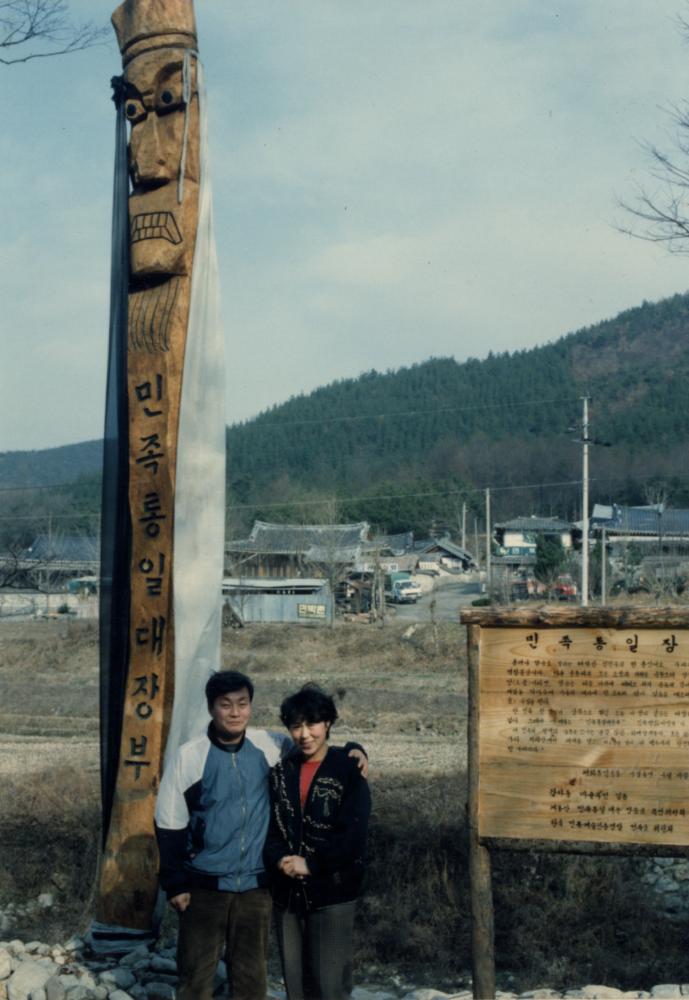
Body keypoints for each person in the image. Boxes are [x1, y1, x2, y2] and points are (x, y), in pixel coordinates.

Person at [154, 670, 366, 1000]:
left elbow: (316, 743)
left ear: (251, 707)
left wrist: (356, 749)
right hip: (204, 886)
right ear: (211, 708)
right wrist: (175, 883)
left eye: (243, 703)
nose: (235, 712)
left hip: (256, 887)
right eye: (226, 705)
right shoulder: (190, 756)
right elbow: (169, 821)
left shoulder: (268, 745)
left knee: (251, 980)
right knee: (195, 977)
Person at [264, 684, 371, 1000]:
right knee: (296, 986)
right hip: (287, 893)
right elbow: (269, 825)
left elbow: (352, 835)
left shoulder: (348, 770)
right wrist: (280, 859)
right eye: (296, 725)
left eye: (312, 724)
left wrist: (311, 864)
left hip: (333, 891)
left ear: (327, 724)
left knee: (329, 986)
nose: (304, 734)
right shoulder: (282, 771)